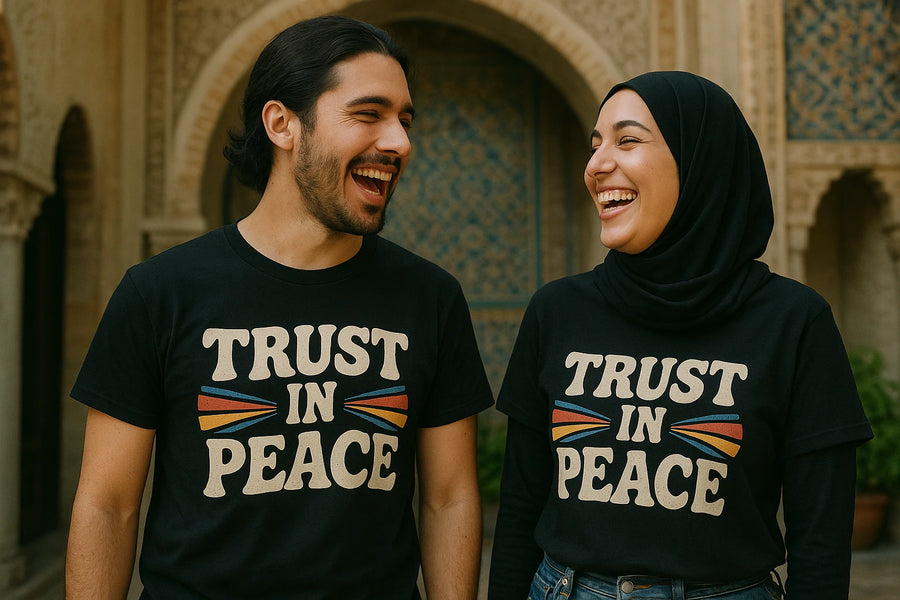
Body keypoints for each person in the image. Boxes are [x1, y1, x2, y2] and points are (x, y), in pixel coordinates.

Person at [66, 16, 493, 600]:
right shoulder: (159, 292)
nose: (400, 142)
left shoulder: (431, 298)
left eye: (405, 120)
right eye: (369, 114)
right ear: (281, 124)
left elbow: (449, 498)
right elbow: (108, 505)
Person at [488, 71, 872, 600]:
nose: (596, 165)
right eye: (595, 145)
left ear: (699, 163)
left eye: (627, 140)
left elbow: (821, 547)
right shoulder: (557, 311)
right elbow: (519, 513)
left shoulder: (794, 322)